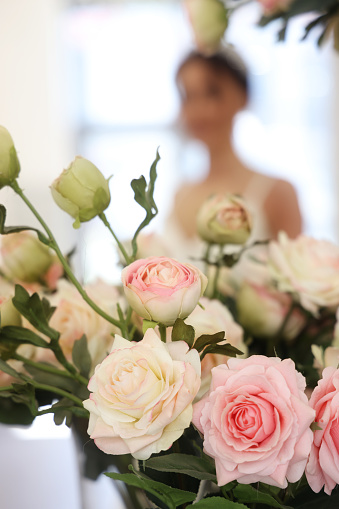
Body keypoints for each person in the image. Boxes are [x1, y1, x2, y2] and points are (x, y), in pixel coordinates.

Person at [171, 48, 302, 241]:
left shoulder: (277, 193)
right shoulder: (179, 195)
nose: (197, 110)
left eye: (211, 93)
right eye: (188, 96)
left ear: (242, 96)